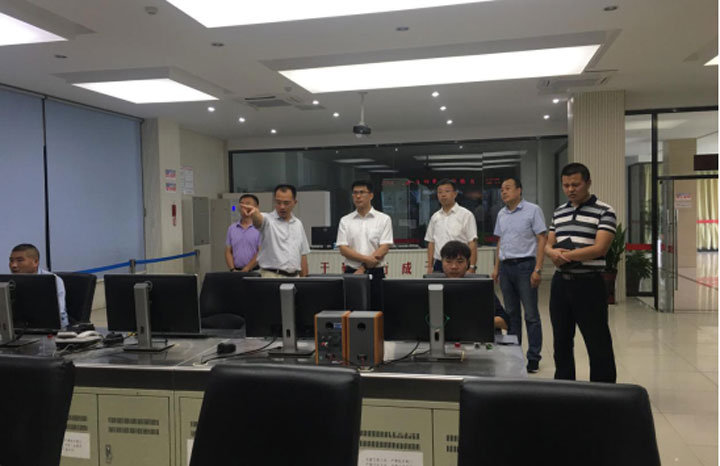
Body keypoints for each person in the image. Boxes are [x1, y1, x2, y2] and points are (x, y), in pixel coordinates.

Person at [545, 163, 617, 383]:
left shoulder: (605, 211)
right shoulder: (559, 212)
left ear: (588, 183)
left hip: (589, 284)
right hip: (561, 284)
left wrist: (567, 256)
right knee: (561, 341)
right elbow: (548, 244)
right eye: (566, 185)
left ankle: (604, 391)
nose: (570, 189)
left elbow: (600, 248)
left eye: (575, 184)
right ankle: (565, 387)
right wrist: (551, 253)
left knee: (597, 341)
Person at [491, 177, 547, 373]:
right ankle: (514, 355)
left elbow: (542, 238)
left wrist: (538, 269)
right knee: (511, 314)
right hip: (506, 268)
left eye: (507, 188)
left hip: (525, 266)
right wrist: (496, 268)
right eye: (501, 190)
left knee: (531, 315)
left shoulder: (533, 210)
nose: (503, 192)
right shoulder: (501, 214)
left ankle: (533, 357)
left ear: (519, 190)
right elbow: (500, 241)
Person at [336, 180, 393, 310]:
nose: (358, 196)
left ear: (371, 195)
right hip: (352, 273)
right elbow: (343, 249)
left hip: (376, 272)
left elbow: (384, 247)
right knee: (352, 311)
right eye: (355, 193)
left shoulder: (383, 219)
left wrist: (362, 268)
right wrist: (366, 260)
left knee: (377, 311)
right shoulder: (345, 221)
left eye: (362, 192)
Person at [242, 184, 310, 278]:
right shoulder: (267, 219)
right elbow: (258, 221)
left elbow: (302, 254)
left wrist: (305, 279)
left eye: (286, 203)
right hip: (271, 276)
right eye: (278, 202)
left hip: (294, 277)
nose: (282, 207)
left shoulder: (298, 224)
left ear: (295, 202)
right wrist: (254, 214)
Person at [440, 241, 509, 331]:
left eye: (460, 261)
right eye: (448, 261)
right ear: (442, 263)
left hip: (476, 336)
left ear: (467, 264)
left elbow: (505, 322)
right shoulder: (431, 287)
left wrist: (475, 322)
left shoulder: (481, 287)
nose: (454, 266)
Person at [9, 243, 68, 328]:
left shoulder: (53, 280)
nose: (13, 265)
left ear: (35, 262)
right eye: (11, 261)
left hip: (51, 329)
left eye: (20, 260)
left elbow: (58, 313)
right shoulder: (9, 282)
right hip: (17, 328)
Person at [425, 179, 478, 274]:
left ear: (455, 194)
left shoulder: (466, 215)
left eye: (447, 191)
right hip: (439, 264)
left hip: (459, 262)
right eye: (440, 192)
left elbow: (472, 242)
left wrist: (472, 267)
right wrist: (429, 266)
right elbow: (431, 242)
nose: (443, 195)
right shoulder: (435, 217)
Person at [225, 194, 261, 272]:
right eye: (242, 204)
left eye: (247, 204)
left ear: (256, 207)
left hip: (254, 271)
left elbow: (260, 252)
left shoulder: (260, 228)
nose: (244, 206)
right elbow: (228, 251)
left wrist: (247, 268)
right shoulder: (232, 228)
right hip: (235, 271)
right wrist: (232, 269)